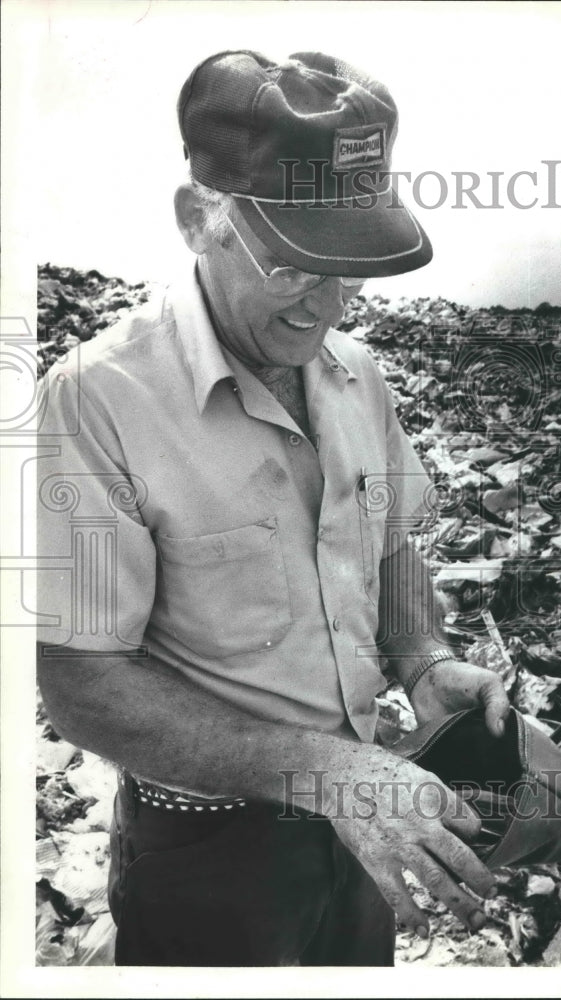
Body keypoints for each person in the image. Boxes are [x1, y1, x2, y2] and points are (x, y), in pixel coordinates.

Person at [36, 50, 509, 967]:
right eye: (294, 264)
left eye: (350, 270)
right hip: (208, 850)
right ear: (197, 220)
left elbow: (389, 544)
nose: (325, 307)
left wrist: (423, 660)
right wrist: (331, 773)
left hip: (366, 821)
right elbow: (82, 685)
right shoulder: (97, 401)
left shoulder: (357, 376)